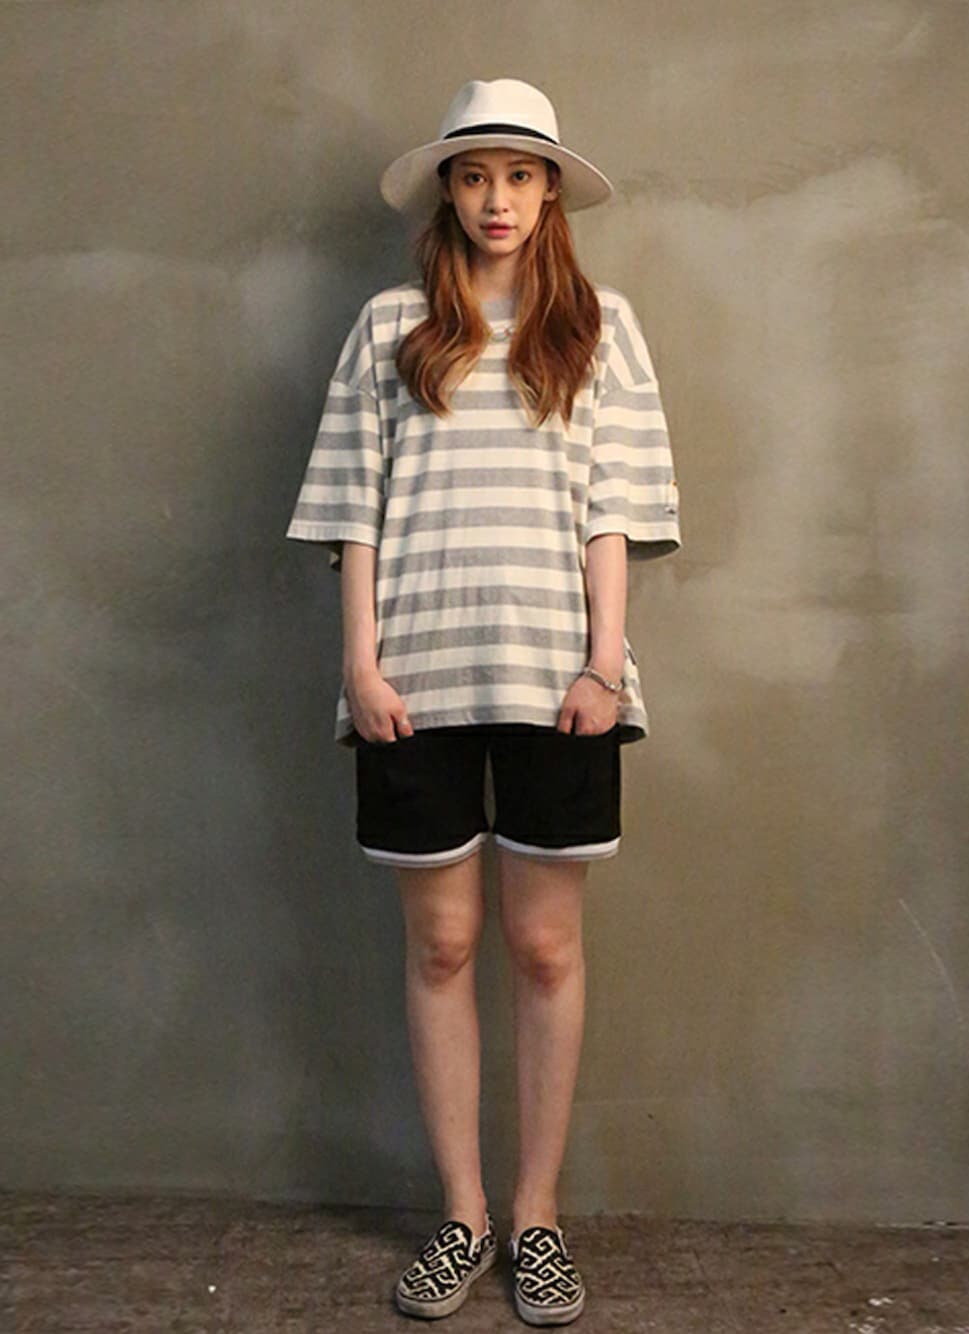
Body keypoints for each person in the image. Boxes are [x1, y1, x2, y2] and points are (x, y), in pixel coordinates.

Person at [285, 77, 682, 1326]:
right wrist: (360, 666)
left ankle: (535, 1216)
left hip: (561, 684)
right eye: (473, 175)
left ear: (549, 190)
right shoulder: (389, 327)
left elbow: (614, 509)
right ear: (448, 193)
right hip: (413, 683)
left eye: (517, 175)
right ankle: (460, 1213)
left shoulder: (602, 326)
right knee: (443, 945)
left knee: (545, 947)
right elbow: (352, 508)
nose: (495, 198)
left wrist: (603, 663)